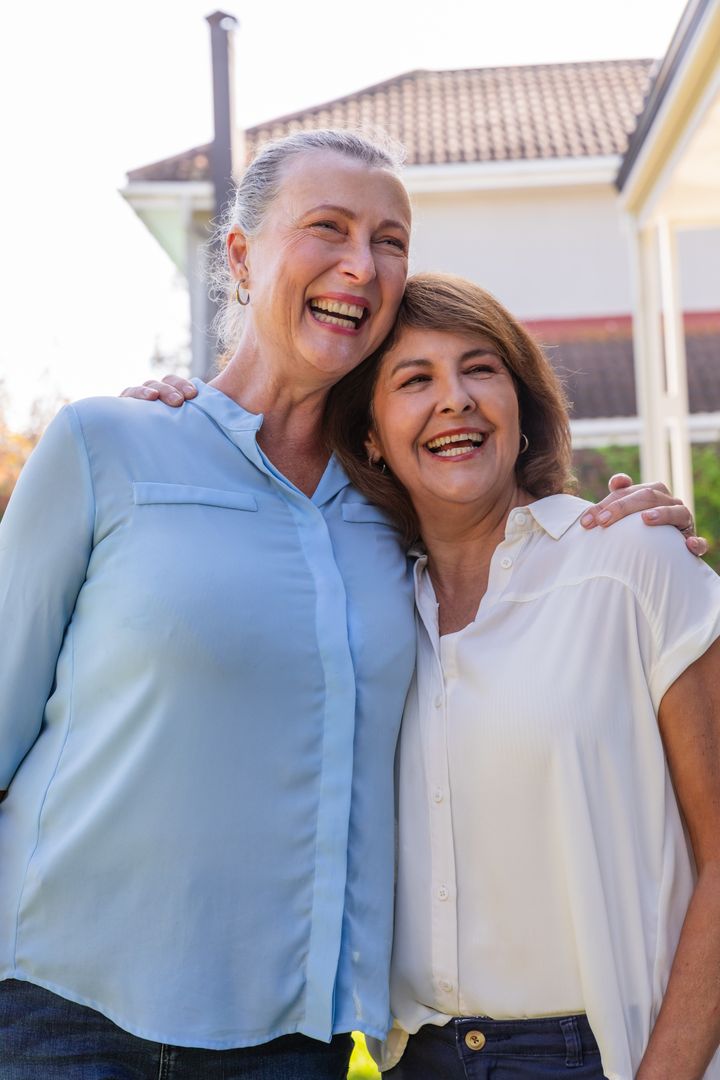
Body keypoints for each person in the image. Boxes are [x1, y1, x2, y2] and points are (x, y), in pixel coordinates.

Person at [0, 130, 702, 1080]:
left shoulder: (394, 520)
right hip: (65, 1016)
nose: (360, 265)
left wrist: (632, 517)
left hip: (296, 1043)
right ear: (241, 255)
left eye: (390, 239)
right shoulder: (109, 446)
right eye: (326, 228)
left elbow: (514, 561)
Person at [325, 271, 720, 1080]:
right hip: (418, 1057)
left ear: (521, 405)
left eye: (480, 369)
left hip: (603, 1054)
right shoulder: (361, 613)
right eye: (414, 380)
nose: (456, 400)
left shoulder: (632, 559)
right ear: (369, 435)